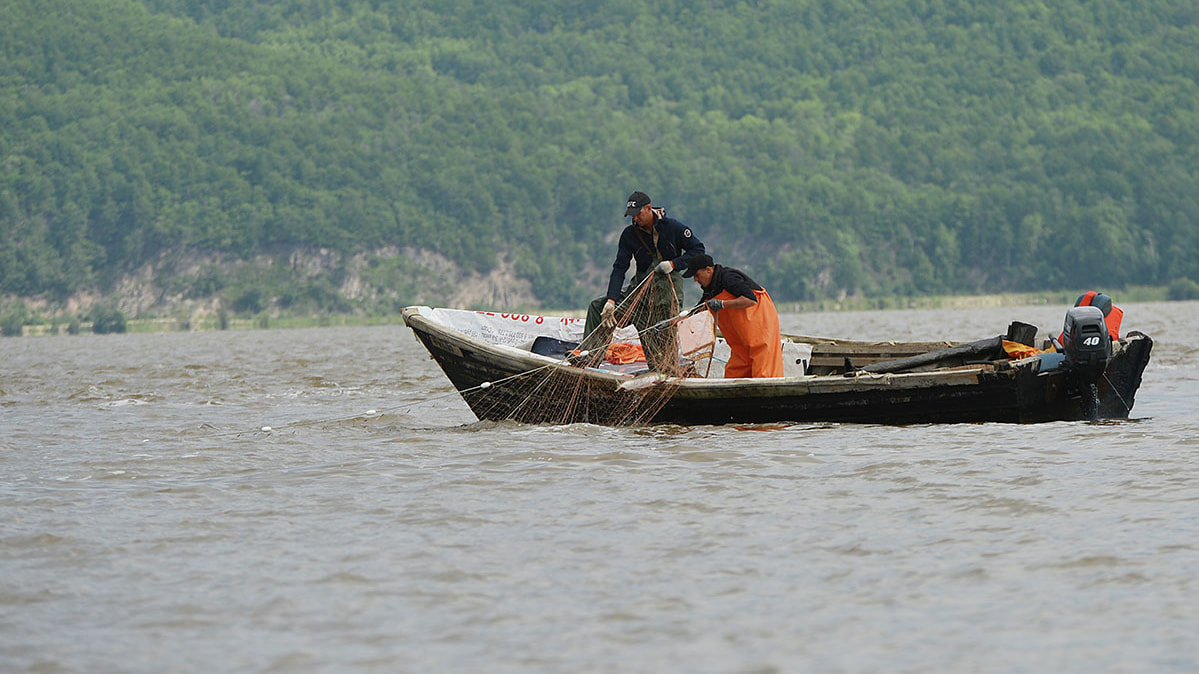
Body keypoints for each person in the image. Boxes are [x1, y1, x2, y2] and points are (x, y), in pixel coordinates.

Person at [581, 191, 706, 370]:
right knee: (597, 307)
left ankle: (666, 371)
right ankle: (590, 357)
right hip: (639, 291)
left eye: (638, 214)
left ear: (649, 208)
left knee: (661, 346)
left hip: (667, 293)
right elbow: (619, 268)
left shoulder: (674, 227)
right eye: (632, 215)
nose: (635, 219)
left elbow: (698, 249)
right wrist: (611, 300)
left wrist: (674, 263)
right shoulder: (629, 234)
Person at [682, 254, 783, 378]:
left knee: (763, 361)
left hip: (761, 323)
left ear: (708, 270)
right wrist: (681, 320)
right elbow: (700, 308)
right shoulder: (710, 288)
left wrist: (722, 304)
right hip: (742, 337)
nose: (695, 280)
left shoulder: (728, 277)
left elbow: (751, 300)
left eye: (696, 275)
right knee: (736, 368)